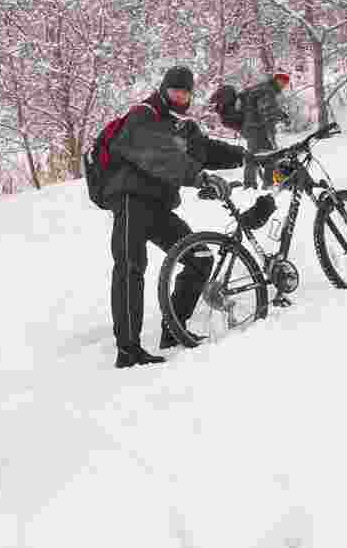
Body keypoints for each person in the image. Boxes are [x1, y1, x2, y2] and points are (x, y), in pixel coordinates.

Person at [101, 66, 246, 368]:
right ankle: (128, 351)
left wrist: (246, 157)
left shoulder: (180, 127)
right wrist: (199, 177)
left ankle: (173, 330)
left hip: (157, 207)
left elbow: (206, 150)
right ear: (163, 90)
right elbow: (158, 155)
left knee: (200, 258)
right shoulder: (143, 115)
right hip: (129, 198)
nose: (179, 97)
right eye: (174, 91)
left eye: (184, 93)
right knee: (130, 268)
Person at [210, 72, 290, 190]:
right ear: (276, 80)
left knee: (258, 154)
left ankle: (256, 184)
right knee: (266, 155)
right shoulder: (267, 90)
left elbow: (264, 107)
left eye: (286, 83)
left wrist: (280, 115)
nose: (283, 85)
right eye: (282, 81)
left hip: (250, 127)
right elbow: (267, 109)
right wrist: (282, 117)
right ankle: (260, 185)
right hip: (256, 127)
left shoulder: (262, 88)